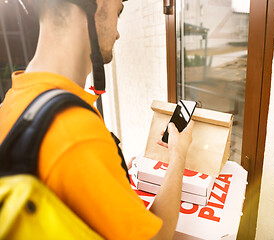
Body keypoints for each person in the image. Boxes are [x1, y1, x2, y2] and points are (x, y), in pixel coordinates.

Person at [0, 0, 193, 239]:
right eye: (118, 12)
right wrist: (179, 154)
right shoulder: (74, 131)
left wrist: (113, 173)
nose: (118, 33)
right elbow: (159, 236)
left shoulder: (15, 99)